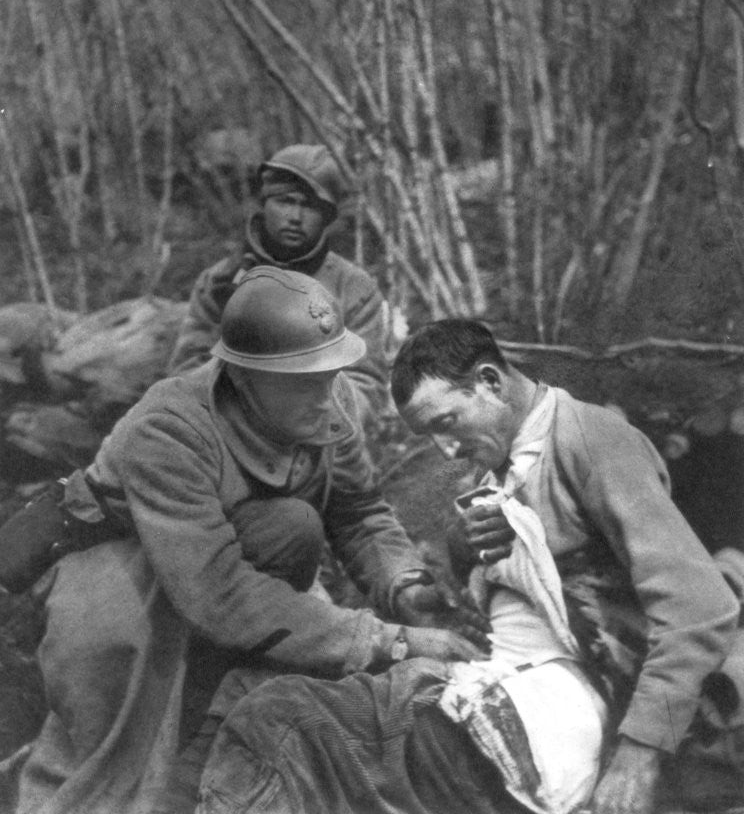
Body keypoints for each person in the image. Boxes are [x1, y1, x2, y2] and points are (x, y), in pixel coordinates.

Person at [189, 318, 742, 814]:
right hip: (510, 675)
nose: (446, 450)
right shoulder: (504, 465)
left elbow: (700, 605)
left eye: (447, 422)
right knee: (254, 696)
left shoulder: (592, 440)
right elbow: (547, 565)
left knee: (282, 720)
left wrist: (640, 755)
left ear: (490, 382)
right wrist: (467, 545)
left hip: (572, 697)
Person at [5, 276, 483, 814]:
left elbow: (358, 511)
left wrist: (406, 588)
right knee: (113, 756)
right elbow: (219, 592)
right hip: (112, 561)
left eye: (330, 373)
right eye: (304, 379)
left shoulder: (329, 399)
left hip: (216, 554)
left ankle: (219, 685)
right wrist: (389, 641)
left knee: (294, 525)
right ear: (243, 376)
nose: (328, 396)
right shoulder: (169, 426)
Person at [168, 142, 387, 425]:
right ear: (264, 205)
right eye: (284, 201)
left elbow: (366, 386)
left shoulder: (354, 288)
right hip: (229, 431)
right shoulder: (219, 282)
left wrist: (305, 414)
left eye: (309, 206)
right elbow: (186, 372)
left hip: (319, 439)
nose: (295, 217)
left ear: (327, 217)